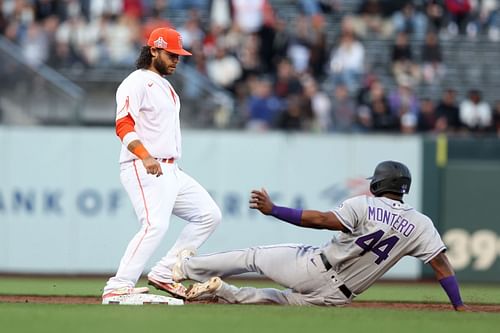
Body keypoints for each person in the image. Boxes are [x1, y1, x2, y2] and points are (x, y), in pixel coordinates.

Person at [172, 161, 467, 311]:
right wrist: (459, 305)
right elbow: (441, 267)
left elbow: (323, 220)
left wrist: (275, 210)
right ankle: (222, 291)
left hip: (314, 267)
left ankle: (185, 268)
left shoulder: (364, 203)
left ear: (378, 183)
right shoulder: (421, 224)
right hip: (336, 297)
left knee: (252, 258)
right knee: (275, 300)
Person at [102, 27, 222, 303]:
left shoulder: (165, 85)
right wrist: (145, 155)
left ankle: (165, 272)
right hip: (143, 164)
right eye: (171, 54)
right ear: (153, 50)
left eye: (179, 55)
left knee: (209, 215)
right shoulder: (137, 82)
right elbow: (122, 124)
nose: (176, 60)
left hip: (171, 169)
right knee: (155, 224)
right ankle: (119, 285)